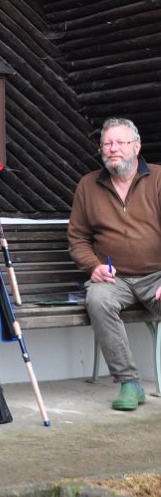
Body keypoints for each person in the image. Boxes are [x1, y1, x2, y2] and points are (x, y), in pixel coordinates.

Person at [68, 117, 161, 411]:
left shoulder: (158, 179)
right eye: (107, 143)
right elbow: (78, 238)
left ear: (136, 146)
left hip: (157, 275)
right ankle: (130, 383)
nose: (113, 149)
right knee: (97, 300)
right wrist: (93, 266)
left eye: (120, 142)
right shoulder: (88, 185)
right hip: (113, 279)